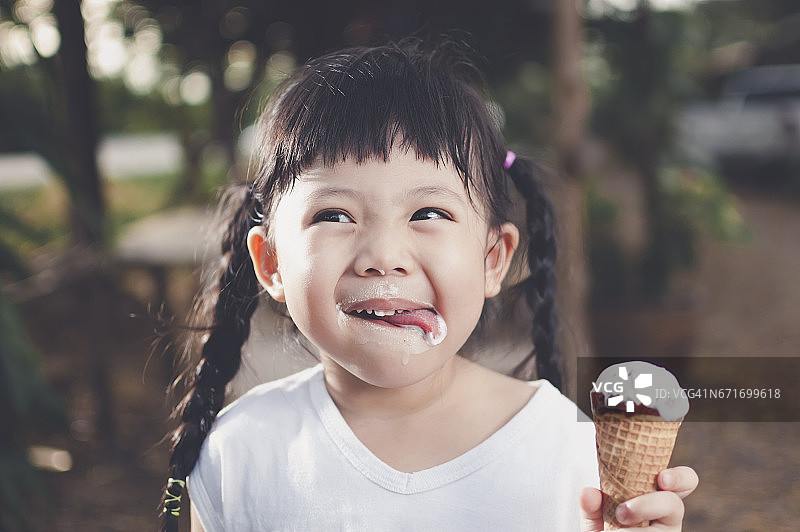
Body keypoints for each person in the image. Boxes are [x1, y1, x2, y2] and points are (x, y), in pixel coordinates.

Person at [160, 38, 698, 531]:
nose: (384, 257)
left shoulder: (570, 453)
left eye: (428, 211)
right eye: (335, 215)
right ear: (272, 262)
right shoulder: (239, 452)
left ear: (494, 260)